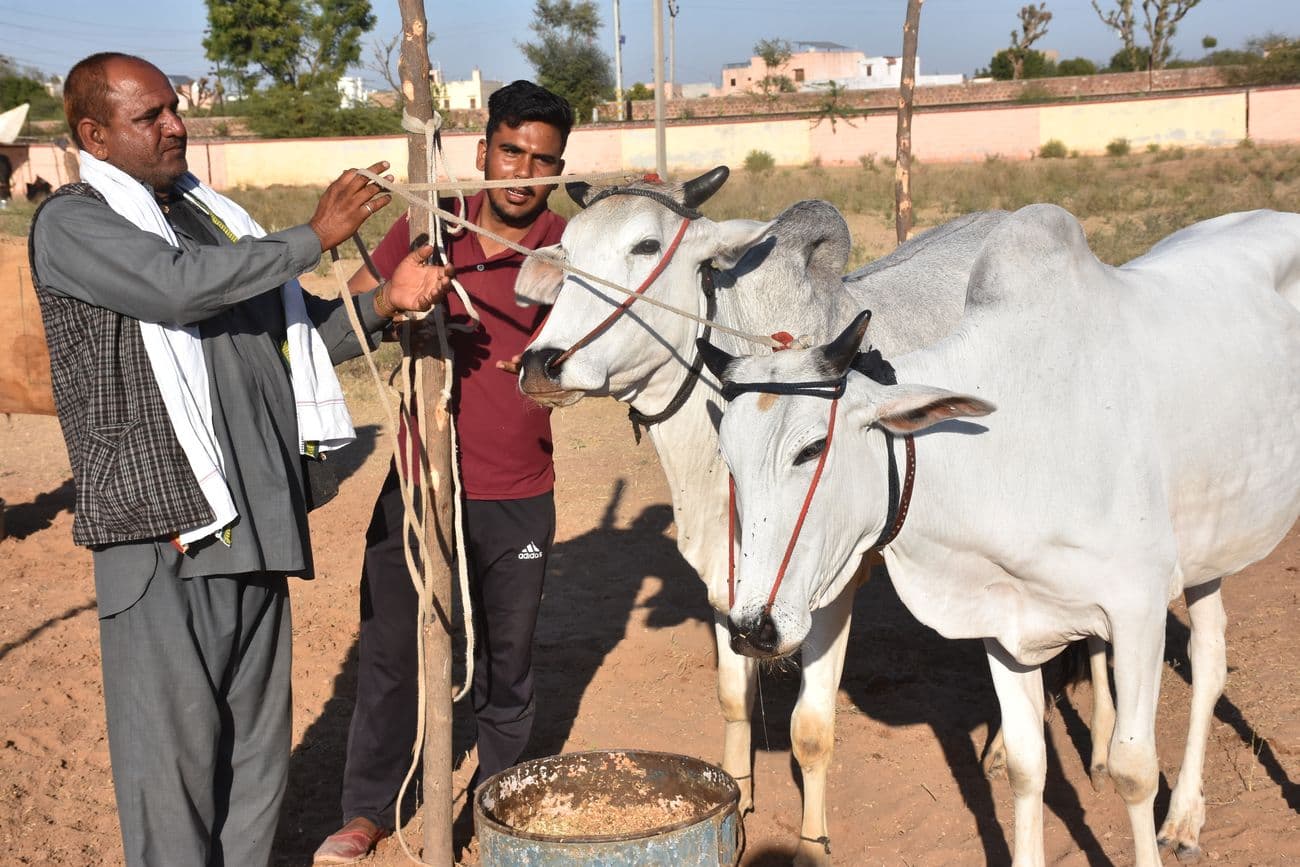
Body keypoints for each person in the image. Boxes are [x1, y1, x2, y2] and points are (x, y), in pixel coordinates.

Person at [28, 53, 451, 867]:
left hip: (254, 527)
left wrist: (381, 302)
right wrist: (312, 236)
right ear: (94, 134)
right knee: (172, 777)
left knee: (254, 769)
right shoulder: (74, 222)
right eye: (149, 115)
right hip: (165, 537)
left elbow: (291, 344)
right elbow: (177, 289)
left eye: (174, 107)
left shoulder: (210, 218)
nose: (175, 124)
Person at [312, 80, 572, 864]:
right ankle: (367, 812)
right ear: (482, 146)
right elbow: (332, 334)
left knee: (507, 666)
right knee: (392, 653)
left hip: (519, 492)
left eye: (543, 159)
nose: (523, 172)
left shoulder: (569, 248)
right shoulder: (426, 226)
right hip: (419, 483)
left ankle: (499, 815)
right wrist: (394, 304)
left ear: (559, 168)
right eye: (511, 150)